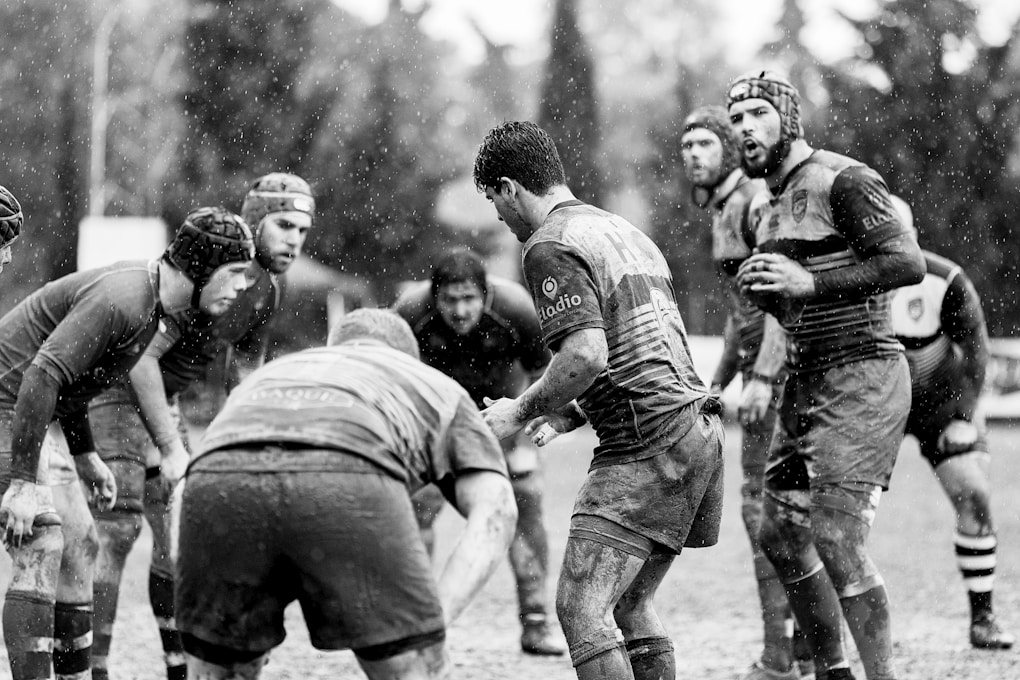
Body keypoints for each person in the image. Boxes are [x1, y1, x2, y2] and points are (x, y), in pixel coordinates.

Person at [473, 120, 724, 680]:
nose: (502, 220)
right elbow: (648, 351)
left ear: (511, 187)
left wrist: (518, 410)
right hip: (695, 430)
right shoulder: (622, 230)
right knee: (631, 605)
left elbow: (586, 355)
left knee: (582, 609)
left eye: (496, 204)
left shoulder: (548, 246)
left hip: (647, 441)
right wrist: (573, 412)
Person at [173, 308, 518, 680]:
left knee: (223, 670)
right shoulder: (431, 382)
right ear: (408, 355)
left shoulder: (272, 374)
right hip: (345, 472)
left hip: (218, 480)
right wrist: (434, 623)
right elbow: (497, 508)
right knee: (417, 670)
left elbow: (186, 488)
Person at [0, 206, 254, 680]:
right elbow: (44, 373)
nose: (242, 285)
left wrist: (87, 456)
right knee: (42, 537)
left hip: (28, 408)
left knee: (81, 544)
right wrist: (22, 482)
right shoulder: (127, 297)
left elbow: (74, 384)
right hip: (6, 402)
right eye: (235, 272)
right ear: (200, 268)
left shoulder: (155, 308)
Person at [728, 71, 926, 680]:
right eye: (735, 120)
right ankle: (832, 673)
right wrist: (766, 295)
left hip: (864, 374)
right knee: (779, 529)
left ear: (788, 120)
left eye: (758, 114)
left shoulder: (845, 179)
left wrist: (810, 282)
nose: (744, 129)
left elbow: (907, 263)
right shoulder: (762, 209)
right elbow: (792, 304)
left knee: (835, 535)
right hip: (804, 380)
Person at [88, 173, 315, 680]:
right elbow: (139, 358)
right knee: (118, 529)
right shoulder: (213, 268)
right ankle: (91, 667)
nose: (295, 240)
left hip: (161, 399)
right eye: (283, 225)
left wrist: (255, 436)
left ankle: (179, 665)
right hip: (114, 386)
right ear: (254, 219)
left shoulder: (268, 289)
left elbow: (242, 372)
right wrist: (169, 446)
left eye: (303, 229)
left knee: (180, 536)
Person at [680, 105, 811, 680]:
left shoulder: (757, 203)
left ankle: (780, 657)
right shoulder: (725, 209)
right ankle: (805, 646)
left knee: (767, 513)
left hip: (785, 378)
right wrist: (717, 382)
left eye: (705, 143)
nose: (693, 153)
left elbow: (785, 298)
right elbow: (743, 310)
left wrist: (762, 376)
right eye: (687, 145)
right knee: (784, 513)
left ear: (729, 151)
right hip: (764, 374)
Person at [393, 247, 566, 656]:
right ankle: (415, 623)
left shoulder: (517, 309)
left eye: (469, 298)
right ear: (433, 297)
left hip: (504, 414)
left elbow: (543, 375)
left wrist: (536, 420)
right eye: (449, 300)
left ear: (486, 296)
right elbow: (391, 380)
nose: (459, 310)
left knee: (526, 501)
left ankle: (536, 622)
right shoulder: (408, 313)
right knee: (418, 504)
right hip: (436, 418)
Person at [887, 196, 1014, 650]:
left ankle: (983, 618)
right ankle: (813, 631)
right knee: (835, 510)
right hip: (877, 402)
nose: (887, 243)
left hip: (941, 401)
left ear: (914, 235)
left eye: (897, 233)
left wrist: (964, 415)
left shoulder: (945, 279)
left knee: (975, 493)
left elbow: (976, 350)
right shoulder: (849, 282)